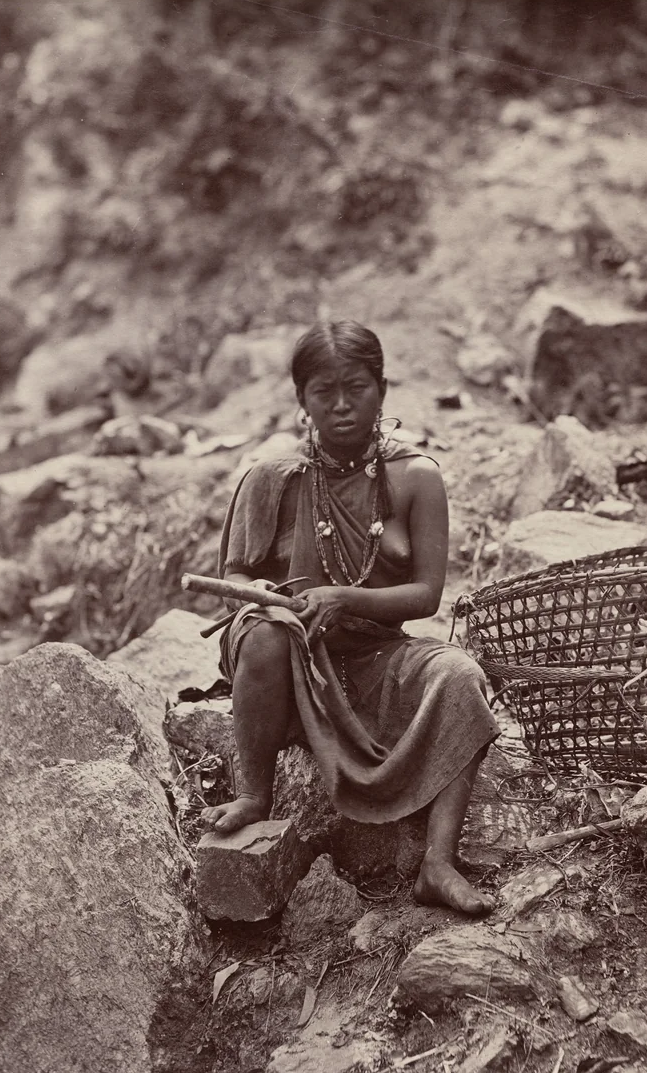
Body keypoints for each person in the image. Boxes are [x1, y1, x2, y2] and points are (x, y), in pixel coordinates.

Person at [201, 320, 500, 915]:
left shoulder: (416, 477)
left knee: (460, 676)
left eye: (356, 388)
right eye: (323, 392)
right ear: (301, 400)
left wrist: (344, 598)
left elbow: (425, 597)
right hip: (289, 654)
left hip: (373, 653)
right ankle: (254, 796)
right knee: (264, 633)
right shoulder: (272, 475)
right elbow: (233, 580)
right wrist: (258, 593)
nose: (341, 406)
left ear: (382, 389)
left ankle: (437, 864)